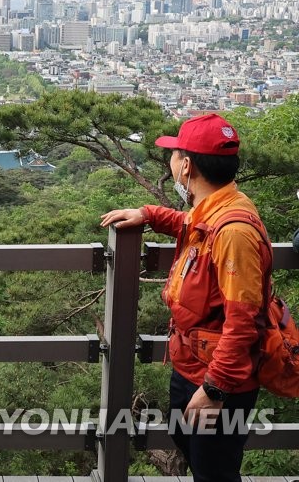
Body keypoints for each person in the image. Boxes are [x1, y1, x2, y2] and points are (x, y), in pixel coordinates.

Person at [100, 113, 265, 482]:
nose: (170, 161)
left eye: (173, 154)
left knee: (214, 471)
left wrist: (215, 390)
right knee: (196, 455)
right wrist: (149, 214)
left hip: (217, 379)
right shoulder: (218, 208)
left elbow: (244, 321)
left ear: (186, 165)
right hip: (192, 365)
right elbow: (194, 226)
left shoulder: (234, 231)